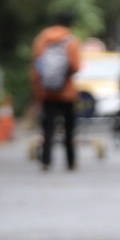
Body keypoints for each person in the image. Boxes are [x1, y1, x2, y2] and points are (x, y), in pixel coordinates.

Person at [30, 11, 84, 171]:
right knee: (69, 128)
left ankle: (46, 161)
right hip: (67, 93)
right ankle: (71, 161)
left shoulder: (42, 38)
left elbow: (36, 66)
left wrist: (37, 89)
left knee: (47, 128)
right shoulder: (71, 40)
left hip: (46, 92)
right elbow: (76, 66)